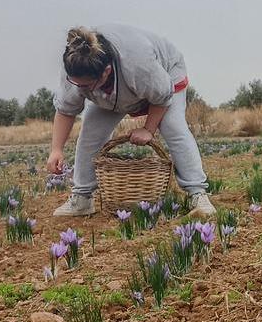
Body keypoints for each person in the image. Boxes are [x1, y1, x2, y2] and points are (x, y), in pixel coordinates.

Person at [47, 25, 216, 219]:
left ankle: (198, 194)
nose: (80, 90)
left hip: (166, 72)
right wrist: (56, 149)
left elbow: (162, 97)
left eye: (86, 86)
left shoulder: (138, 63)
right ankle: (82, 199)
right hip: (113, 90)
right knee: (90, 135)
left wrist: (148, 129)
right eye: (77, 84)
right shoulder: (75, 65)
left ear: (106, 72)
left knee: (173, 126)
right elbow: (65, 110)